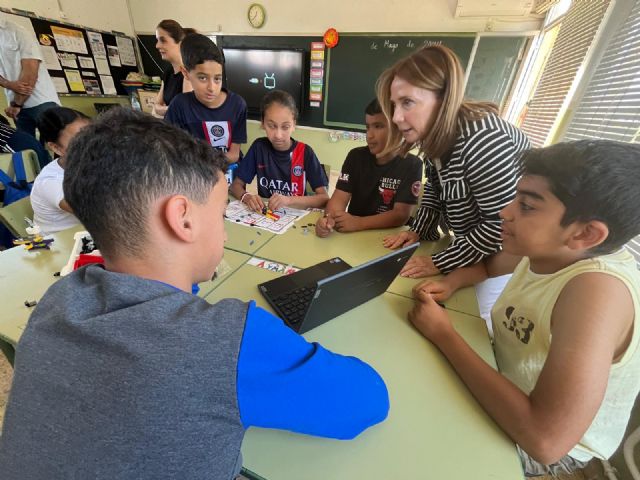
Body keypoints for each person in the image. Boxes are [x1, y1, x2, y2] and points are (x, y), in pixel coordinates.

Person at [0, 108, 389, 480]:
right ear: (182, 218)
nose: (223, 232)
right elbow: (369, 400)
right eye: (220, 213)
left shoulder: (59, 299)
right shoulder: (227, 339)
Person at [409, 140, 640, 477]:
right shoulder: (551, 247)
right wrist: (453, 282)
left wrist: (445, 335)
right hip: (504, 382)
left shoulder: (597, 291)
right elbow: (490, 268)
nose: (506, 211)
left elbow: (546, 441)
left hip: (547, 452)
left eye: (528, 206)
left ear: (586, 233)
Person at [377, 45, 530, 325]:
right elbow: (435, 190)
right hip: (476, 254)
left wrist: (440, 261)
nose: (397, 117)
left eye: (407, 102)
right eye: (394, 105)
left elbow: (499, 225)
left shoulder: (485, 141)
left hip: (507, 263)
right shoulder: (437, 136)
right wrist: (418, 231)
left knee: (475, 326)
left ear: (443, 99)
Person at [315, 99, 422, 237]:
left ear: (398, 128)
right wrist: (328, 220)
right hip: (354, 236)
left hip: (388, 237)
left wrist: (358, 223)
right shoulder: (355, 157)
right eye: (368, 127)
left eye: (378, 126)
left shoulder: (413, 164)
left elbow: (400, 215)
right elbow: (339, 198)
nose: (369, 135)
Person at [230, 89, 329, 211]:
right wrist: (247, 196)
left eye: (285, 127)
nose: (278, 135)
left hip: (295, 216)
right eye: (271, 126)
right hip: (267, 217)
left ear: (294, 125)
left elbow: (324, 198)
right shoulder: (258, 147)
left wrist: (289, 200)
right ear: (263, 123)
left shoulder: (305, 152)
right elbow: (235, 186)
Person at [165, 33, 246, 164]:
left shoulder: (237, 105)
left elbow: (234, 155)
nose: (212, 87)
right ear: (185, 73)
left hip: (228, 173)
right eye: (202, 78)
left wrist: (203, 162)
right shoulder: (179, 106)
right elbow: (171, 150)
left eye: (217, 78)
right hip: (195, 178)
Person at [29, 107, 89, 234]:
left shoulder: (93, 164)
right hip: (58, 247)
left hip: (86, 236)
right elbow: (98, 211)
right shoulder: (51, 181)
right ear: (56, 148)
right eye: (78, 141)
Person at [0, 17, 60, 136]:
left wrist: (17, 104)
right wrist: (9, 85)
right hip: (16, 106)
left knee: (58, 146)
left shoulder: (18, 32)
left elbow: (30, 73)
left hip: (41, 102)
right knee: (27, 151)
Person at [152, 19, 194, 118]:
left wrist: (163, 110)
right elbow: (155, 108)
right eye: (157, 40)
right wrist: (169, 109)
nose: (157, 45)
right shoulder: (168, 73)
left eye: (163, 40)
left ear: (180, 43)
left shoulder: (189, 72)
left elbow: (184, 112)